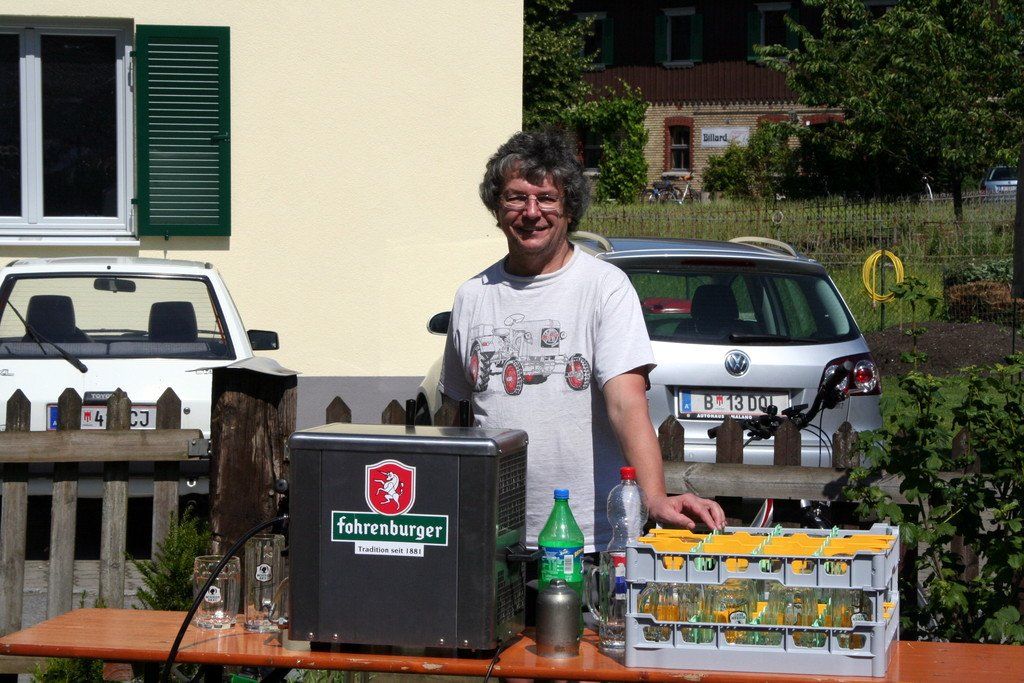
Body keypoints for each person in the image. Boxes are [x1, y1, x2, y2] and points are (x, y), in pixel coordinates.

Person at [440, 130, 725, 553]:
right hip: (494, 535)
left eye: (546, 198)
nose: (531, 212)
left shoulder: (605, 287)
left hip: (589, 537)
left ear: (569, 208)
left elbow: (626, 403)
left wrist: (655, 498)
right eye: (516, 198)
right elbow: (455, 415)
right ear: (497, 208)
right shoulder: (472, 296)